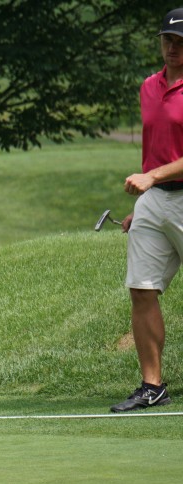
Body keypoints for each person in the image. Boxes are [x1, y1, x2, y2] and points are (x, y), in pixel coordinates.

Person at [111, 8, 183, 412]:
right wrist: (145, 203)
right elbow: (156, 147)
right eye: (168, 40)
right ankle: (152, 386)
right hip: (156, 199)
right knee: (141, 288)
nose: (173, 48)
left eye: (181, 42)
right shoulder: (148, 87)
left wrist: (151, 178)